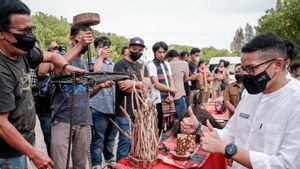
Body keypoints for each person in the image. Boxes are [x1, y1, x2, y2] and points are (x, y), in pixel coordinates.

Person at [181, 32, 300, 169]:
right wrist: (199, 129)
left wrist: (229, 150)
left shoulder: (295, 101)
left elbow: (286, 164)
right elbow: (229, 134)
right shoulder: (250, 95)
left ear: (278, 64)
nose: (245, 75)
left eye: (251, 68)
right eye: (244, 68)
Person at [0, 1, 84, 168]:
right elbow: (1, 124)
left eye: (31, 29)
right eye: (23, 31)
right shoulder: (2, 69)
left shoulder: (22, 51)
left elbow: (53, 57)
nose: (29, 36)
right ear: (2, 33)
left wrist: (66, 67)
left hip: (20, 147)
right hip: (6, 154)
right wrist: (34, 153)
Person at [50, 25, 110, 169]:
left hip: (84, 120)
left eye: (86, 42)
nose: (83, 45)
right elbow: (58, 69)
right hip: (62, 119)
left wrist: (100, 87)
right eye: (79, 40)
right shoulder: (62, 59)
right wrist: (80, 45)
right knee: (61, 164)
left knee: (80, 164)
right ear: (72, 39)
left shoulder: (85, 63)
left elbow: (87, 93)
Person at [114, 37, 151, 161]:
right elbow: (123, 87)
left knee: (137, 141)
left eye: (140, 50)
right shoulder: (120, 64)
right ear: (129, 48)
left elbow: (148, 85)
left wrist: (132, 82)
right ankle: (121, 165)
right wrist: (140, 84)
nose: (138, 52)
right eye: (135, 49)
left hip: (139, 110)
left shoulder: (142, 66)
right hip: (124, 110)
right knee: (125, 140)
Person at [90, 36, 118, 169]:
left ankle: (109, 159)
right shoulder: (90, 62)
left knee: (111, 138)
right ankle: (96, 163)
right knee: (98, 138)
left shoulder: (114, 65)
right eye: (101, 47)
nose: (104, 50)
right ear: (95, 48)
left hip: (113, 107)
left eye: (106, 47)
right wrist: (100, 57)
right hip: (98, 107)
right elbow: (95, 74)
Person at [147, 41, 176, 133]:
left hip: (168, 99)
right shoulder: (151, 65)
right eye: (159, 52)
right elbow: (157, 84)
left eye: (164, 52)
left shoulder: (167, 64)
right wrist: (171, 89)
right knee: (158, 127)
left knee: (169, 127)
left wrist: (172, 94)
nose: (162, 54)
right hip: (157, 100)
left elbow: (171, 80)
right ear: (154, 52)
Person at [166, 49, 189, 120]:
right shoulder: (184, 63)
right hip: (180, 95)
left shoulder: (166, 65)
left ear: (169, 57)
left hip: (167, 97)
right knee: (182, 120)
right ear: (178, 56)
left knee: (170, 121)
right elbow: (186, 79)